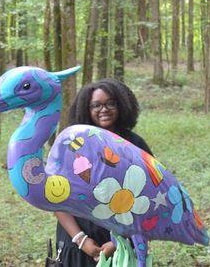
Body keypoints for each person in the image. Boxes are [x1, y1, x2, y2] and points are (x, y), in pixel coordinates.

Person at [54, 79, 153, 266]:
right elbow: (56, 198)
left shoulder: (135, 145)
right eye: (96, 105)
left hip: (124, 245)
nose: (104, 109)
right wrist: (81, 240)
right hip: (76, 242)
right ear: (86, 109)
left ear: (122, 105)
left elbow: (152, 196)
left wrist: (119, 241)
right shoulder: (72, 145)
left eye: (110, 103)